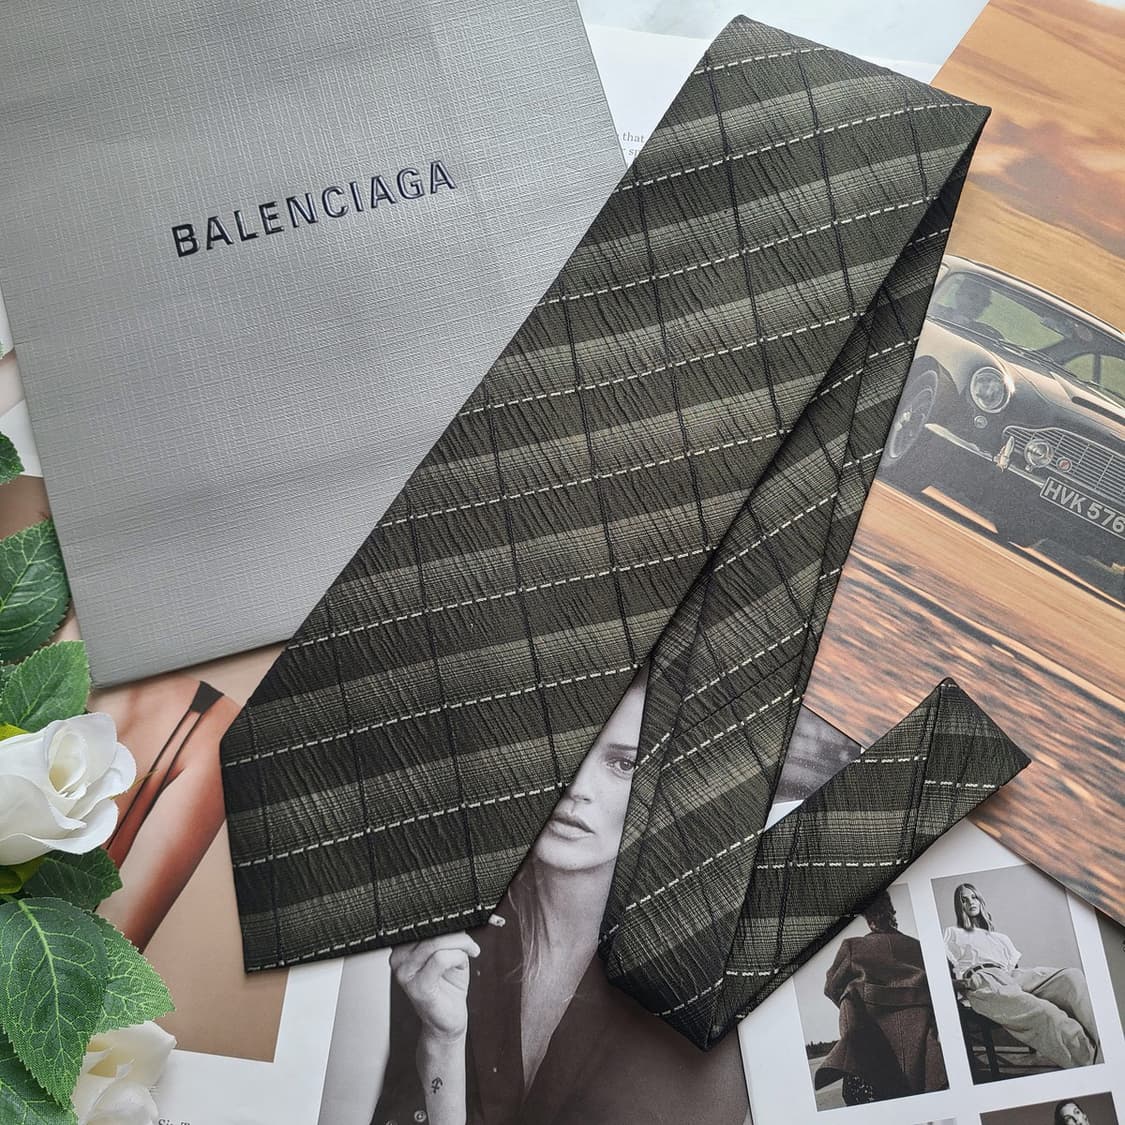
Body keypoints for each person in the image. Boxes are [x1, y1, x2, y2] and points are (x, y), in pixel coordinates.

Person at [371, 668, 749, 1125]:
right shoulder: (452, 932)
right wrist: (442, 1042)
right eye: (566, 743)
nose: (576, 786)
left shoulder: (694, 990)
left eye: (623, 764)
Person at [943, 883, 1099, 1069]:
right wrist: (959, 984)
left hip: (1011, 975)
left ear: (980, 900)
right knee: (1047, 1012)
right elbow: (940, 970)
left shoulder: (1000, 938)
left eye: (973, 897)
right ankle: (1091, 1061)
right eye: (964, 900)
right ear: (958, 905)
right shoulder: (952, 933)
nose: (970, 902)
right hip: (982, 979)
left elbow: (1013, 968)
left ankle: (1106, 1042)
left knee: (1071, 976)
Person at [814, 891, 947, 1105]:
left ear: (867, 918)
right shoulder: (918, 947)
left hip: (868, 1036)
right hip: (922, 1039)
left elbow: (831, 987)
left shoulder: (853, 947)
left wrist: (858, 1000)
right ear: (890, 911)